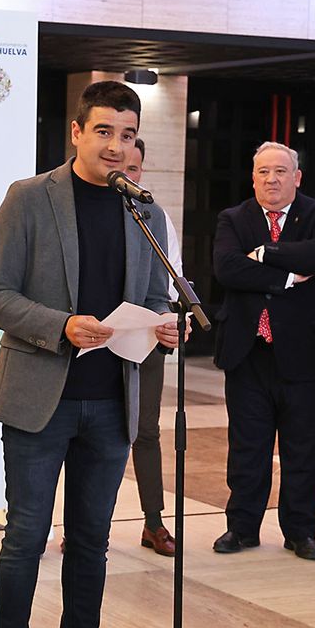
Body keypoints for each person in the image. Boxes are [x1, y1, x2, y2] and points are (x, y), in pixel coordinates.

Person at [0, 80, 176, 628]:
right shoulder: (30, 199)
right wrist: (60, 324)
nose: (116, 146)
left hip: (112, 404)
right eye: (104, 132)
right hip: (40, 400)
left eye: (126, 134)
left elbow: (159, 296)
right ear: (76, 132)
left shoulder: (145, 210)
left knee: (91, 545)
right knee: (27, 540)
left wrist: (168, 324)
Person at [211, 142, 315, 560]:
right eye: (263, 172)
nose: (272, 180)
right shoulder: (233, 218)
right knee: (247, 446)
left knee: (303, 448)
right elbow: (227, 268)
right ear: (253, 178)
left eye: (281, 172)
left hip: (307, 353)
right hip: (248, 352)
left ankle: (301, 531)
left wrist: (266, 254)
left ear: (297, 177)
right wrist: (286, 278)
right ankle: (242, 527)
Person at [124, 139, 181, 557]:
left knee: (146, 432)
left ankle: (154, 523)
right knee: (86, 436)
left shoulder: (153, 217)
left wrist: (168, 319)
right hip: (91, 339)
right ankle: (80, 526)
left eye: (137, 167)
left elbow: (169, 281)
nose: (128, 173)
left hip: (143, 340)